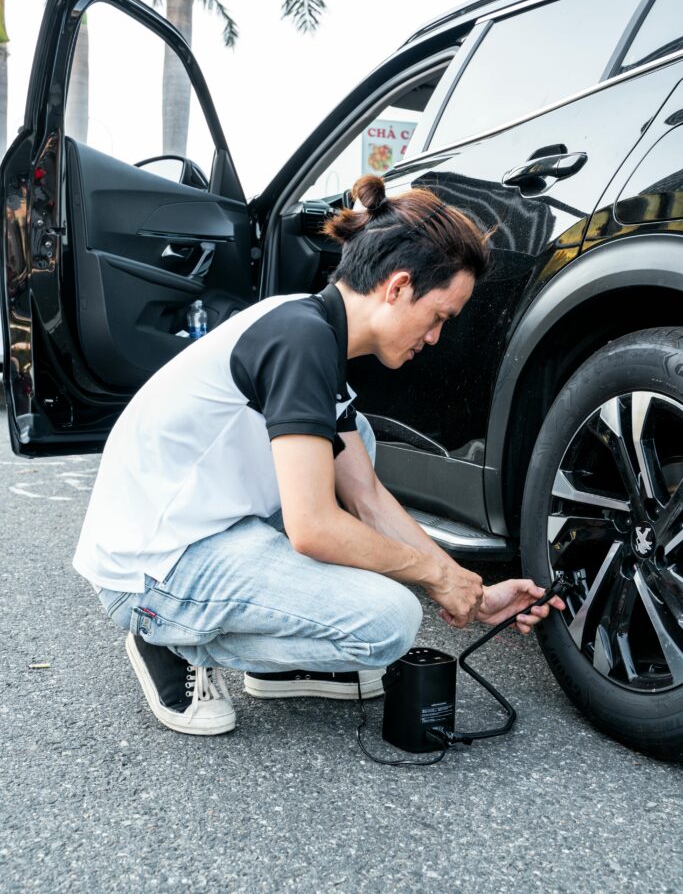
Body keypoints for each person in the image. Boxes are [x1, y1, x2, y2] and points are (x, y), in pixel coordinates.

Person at [74, 174, 565, 736]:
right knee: (389, 623)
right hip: (152, 571)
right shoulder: (301, 340)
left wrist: (467, 587)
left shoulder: (309, 326)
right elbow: (312, 527)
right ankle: (170, 638)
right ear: (398, 287)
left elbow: (368, 498)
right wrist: (432, 577)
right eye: (439, 317)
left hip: (204, 528)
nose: (435, 338)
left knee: (359, 446)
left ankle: (280, 661)